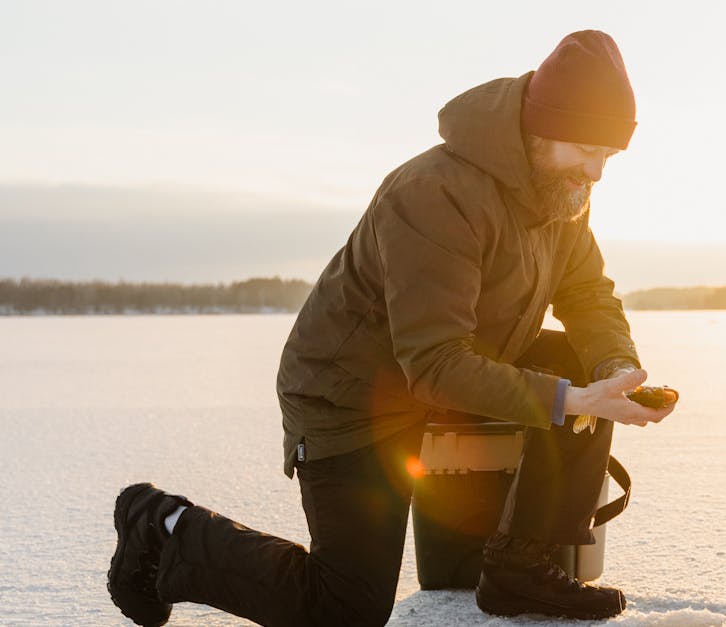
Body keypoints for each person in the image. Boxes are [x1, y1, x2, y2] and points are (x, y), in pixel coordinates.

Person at [106, 30, 677, 627]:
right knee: (345, 609)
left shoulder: (562, 193)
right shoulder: (435, 193)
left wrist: (613, 370)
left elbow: (586, 292)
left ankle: (520, 568)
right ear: (540, 129)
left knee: (584, 368)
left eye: (606, 156)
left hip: (453, 371)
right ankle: (163, 526)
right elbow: (433, 363)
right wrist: (565, 401)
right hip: (350, 396)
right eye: (585, 149)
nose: (596, 172)